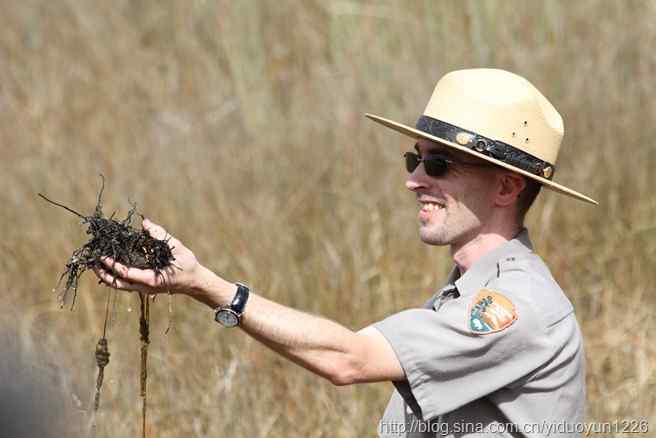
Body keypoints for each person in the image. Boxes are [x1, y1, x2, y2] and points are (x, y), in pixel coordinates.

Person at [94, 68, 597, 437]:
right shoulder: (468, 289)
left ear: (507, 188)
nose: (413, 180)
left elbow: (349, 360)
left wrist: (207, 286)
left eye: (439, 165)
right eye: (415, 159)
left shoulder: (516, 305)